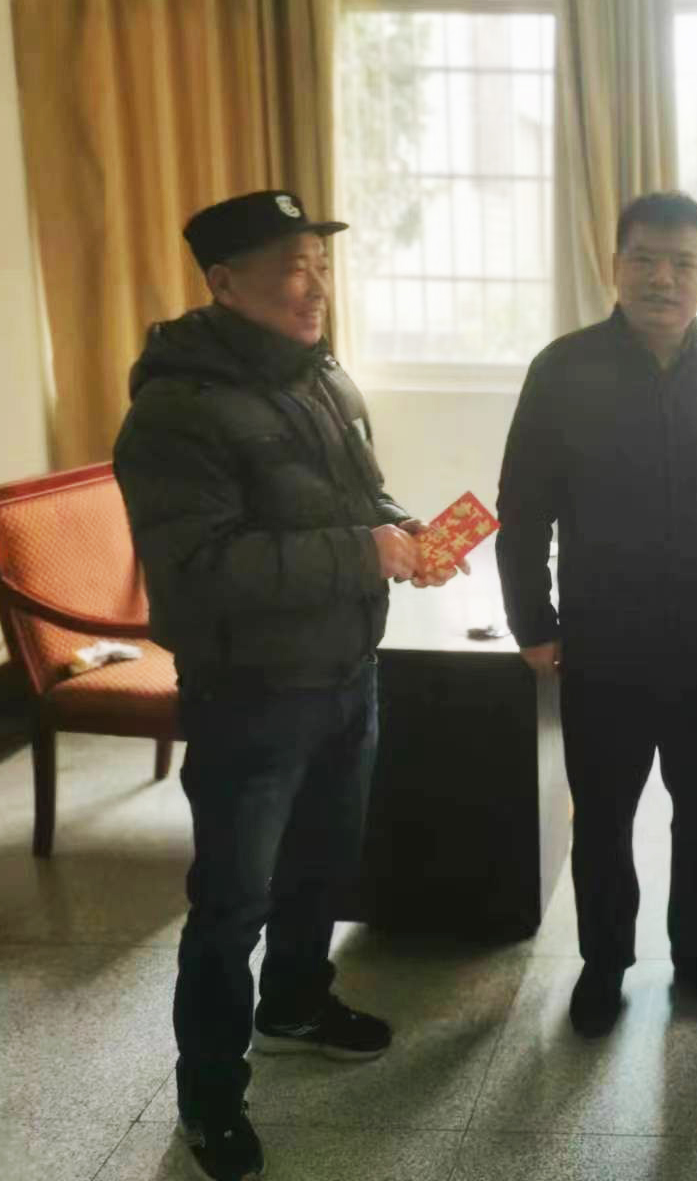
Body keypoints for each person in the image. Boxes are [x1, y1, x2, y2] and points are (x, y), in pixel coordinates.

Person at [114, 190, 462, 1181]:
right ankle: (210, 1095)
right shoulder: (174, 411)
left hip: (348, 669)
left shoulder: (322, 374)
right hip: (251, 694)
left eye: (320, 263)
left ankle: (297, 1003)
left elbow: (360, 493)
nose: (314, 287)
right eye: (290, 268)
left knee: (324, 864)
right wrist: (363, 551)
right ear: (224, 283)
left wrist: (405, 532)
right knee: (233, 900)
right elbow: (201, 570)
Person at [497, 191, 697, 1038]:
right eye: (645, 260)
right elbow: (523, 509)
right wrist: (533, 624)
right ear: (614, 267)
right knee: (605, 816)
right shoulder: (562, 370)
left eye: (684, 264)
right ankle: (605, 962)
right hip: (604, 643)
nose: (663, 279)